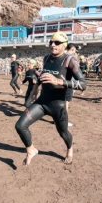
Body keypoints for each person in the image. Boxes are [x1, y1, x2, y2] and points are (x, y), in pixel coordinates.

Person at [15, 32, 87, 166]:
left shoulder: (69, 60)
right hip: (42, 102)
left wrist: (59, 82)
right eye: (51, 42)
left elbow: (83, 84)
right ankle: (31, 150)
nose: (52, 45)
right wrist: (36, 87)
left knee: (63, 133)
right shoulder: (47, 58)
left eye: (56, 43)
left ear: (64, 45)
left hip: (58, 106)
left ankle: (69, 149)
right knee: (20, 126)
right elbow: (44, 73)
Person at [64, 42, 79, 127]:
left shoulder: (61, 56)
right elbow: (75, 72)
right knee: (66, 103)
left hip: (60, 81)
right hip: (69, 82)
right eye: (74, 50)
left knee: (60, 102)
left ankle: (57, 120)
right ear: (72, 49)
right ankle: (64, 122)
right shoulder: (72, 57)